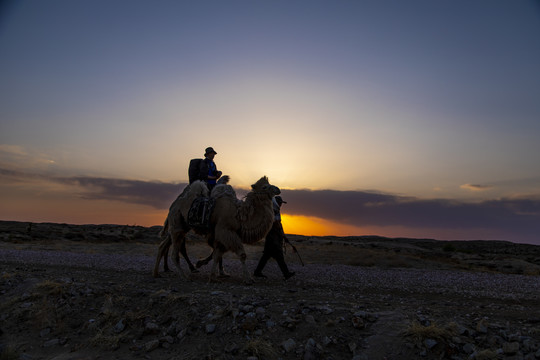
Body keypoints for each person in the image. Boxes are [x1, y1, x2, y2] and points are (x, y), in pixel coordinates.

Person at [254, 195, 295, 280]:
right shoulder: (275, 211)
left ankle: (257, 272)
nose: (281, 204)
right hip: (274, 238)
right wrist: (283, 236)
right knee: (278, 256)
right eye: (280, 203)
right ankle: (286, 273)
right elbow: (277, 225)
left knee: (266, 256)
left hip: (271, 238)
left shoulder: (271, 211)